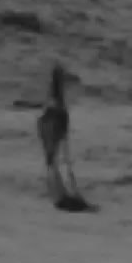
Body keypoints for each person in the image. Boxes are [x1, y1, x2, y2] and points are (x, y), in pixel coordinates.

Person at [40, 62, 92, 212]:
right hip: (56, 119)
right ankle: (65, 194)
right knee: (61, 157)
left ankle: (59, 194)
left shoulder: (51, 99)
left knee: (52, 159)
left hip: (47, 121)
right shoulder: (58, 104)